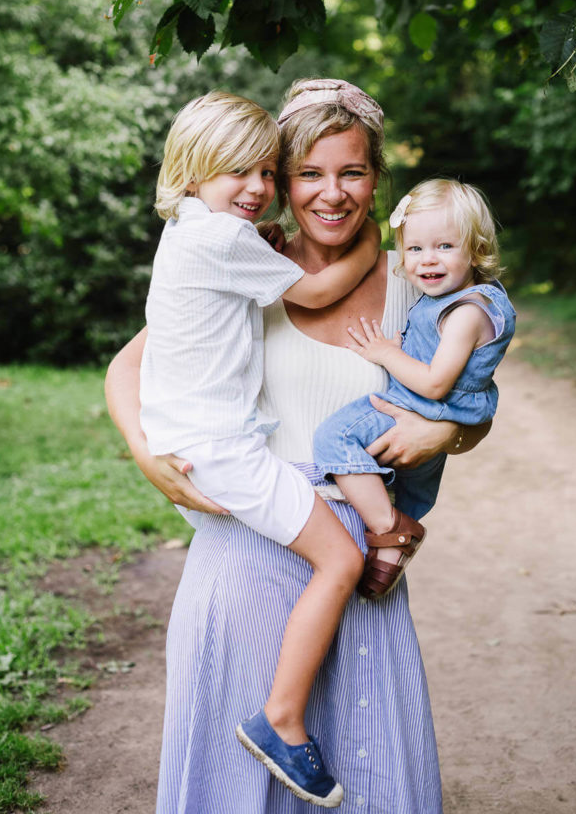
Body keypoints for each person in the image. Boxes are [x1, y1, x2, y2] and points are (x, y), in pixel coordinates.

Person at [105, 77, 491, 814]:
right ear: (280, 180)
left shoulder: (420, 280)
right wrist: (147, 455)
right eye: (307, 173)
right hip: (250, 539)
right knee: (238, 779)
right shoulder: (241, 264)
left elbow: (470, 398)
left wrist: (445, 428)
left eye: (352, 172)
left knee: (362, 764)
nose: (331, 194)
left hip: (357, 558)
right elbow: (130, 368)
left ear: (377, 177)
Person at [140, 90, 383, 807]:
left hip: (206, 442)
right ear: (189, 174)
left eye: (265, 174)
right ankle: (280, 719)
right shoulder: (219, 240)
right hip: (222, 447)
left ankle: (279, 712)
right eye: (234, 174)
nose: (256, 189)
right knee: (341, 555)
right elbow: (315, 291)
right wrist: (371, 243)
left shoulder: (192, 229)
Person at [313, 177, 516, 599]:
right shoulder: (463, 298)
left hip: (421, 404)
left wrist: (387, 354)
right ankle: (389, 557)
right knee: (411, 489)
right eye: (415, 248)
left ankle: (389, 530)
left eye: (445, 246)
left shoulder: (465, 312)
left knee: (335, 437)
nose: (428, 260)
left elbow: (436, 382)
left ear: (476, 250)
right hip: (448, 417)